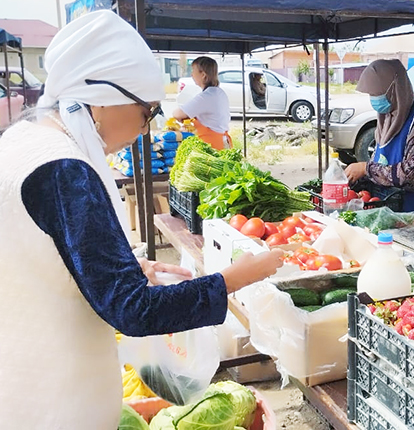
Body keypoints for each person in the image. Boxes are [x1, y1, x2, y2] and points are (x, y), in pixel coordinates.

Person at [0, 11, 283, 429]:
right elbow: (134, 310)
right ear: (101, 97)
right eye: (146, 110)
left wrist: (126, 266)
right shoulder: (65, 171)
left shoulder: (22, 140)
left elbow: (46, 254)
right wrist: (233, 279)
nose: (146, 127)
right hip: (56, 403)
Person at [344, 59, 414, 227]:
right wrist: (355, 179)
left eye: (377, 94)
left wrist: (365, 168)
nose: (374, 99)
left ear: (395, 90)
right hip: (388, 213)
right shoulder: (386, 120)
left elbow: (411, 177)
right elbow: (381, 162)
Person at [173, 56, 231, 150]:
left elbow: (177, 114)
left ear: (203, 75)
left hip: (213, 146)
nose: (191, 74)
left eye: (193, 70)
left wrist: (185, 116)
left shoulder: (207, 96)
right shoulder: (218, 92)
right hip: (221, 142)